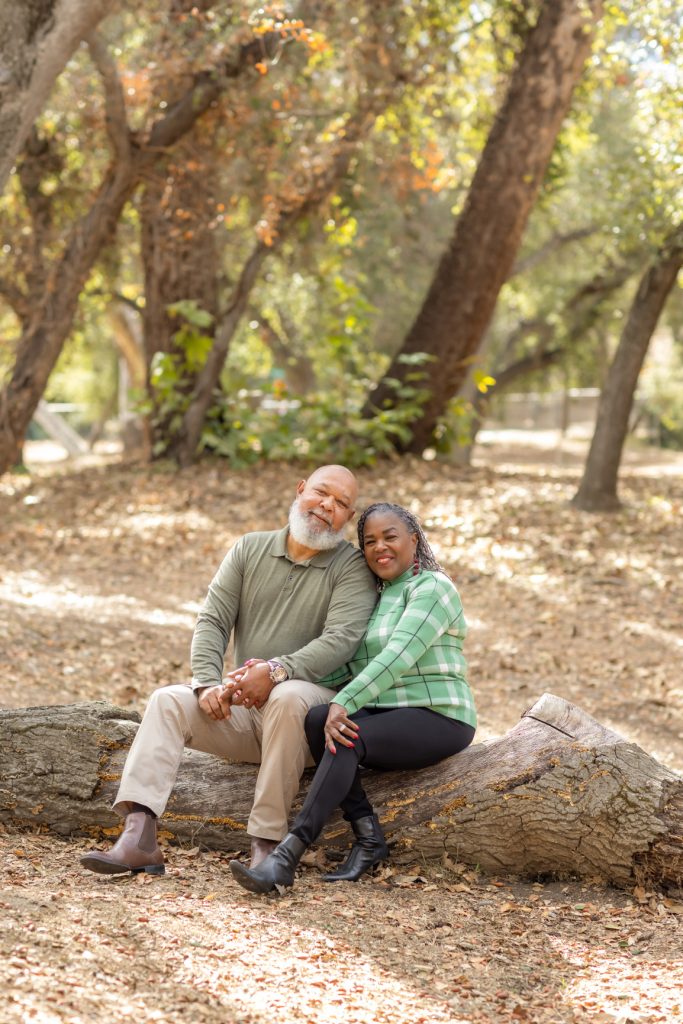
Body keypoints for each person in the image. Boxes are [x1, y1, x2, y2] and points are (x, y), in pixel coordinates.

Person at [80, 465, 378, 877]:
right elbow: (212, 621)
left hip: (312, 719)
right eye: (322, 493)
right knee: (167, 700)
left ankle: (267, 846)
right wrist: (206, 684)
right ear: (300, 490)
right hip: (247, 712)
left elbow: (341, 640)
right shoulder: (249, 549)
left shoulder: (352, 568)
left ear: (348, 517)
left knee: (289, 696)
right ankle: (139, 836)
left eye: (342, 504)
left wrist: (276, 671)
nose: (327, 506)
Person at [229, 501, 476, 894]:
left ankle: (287, 855)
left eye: (390, 537)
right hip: (388, 712)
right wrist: (278, 671)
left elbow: (397, 656)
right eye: (370, 541)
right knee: (317, 718)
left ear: (414, 539)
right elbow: (350, 668)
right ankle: (369, 838)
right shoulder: (380, 599)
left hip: (439, 715)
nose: (381, 547)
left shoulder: (433, 587)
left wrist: (344, 703)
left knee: (346, 731)